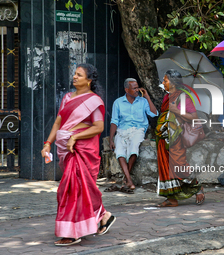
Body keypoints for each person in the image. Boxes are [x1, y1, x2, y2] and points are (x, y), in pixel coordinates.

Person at [41, 63, 116, 246]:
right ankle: (103, 215)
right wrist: (47, 144)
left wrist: (75, 137)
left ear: (89, 80)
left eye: (79, 75)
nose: (74, 77)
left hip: (82, 149)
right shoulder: (67, 98)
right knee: (78, 189)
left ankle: (73, 232)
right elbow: (58, 123)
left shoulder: (94, 101)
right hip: (67, 148)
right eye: (74, 74)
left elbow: (98, 127)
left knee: (70, 188)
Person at [156, 69, 205, 207]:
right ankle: (171, 199)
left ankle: (197, 187)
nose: (163, 82)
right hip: (164, 138)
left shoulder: (183, 97)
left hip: (176, 138)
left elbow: (194, 117)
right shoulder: (167, 97)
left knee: (179, 166)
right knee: (165, 168)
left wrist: (177, 111)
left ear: (173, 83)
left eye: (165, 80)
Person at [109, 78, 158, 191]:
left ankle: (127, 180)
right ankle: (128, 180)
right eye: (134, 88)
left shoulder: (143, 101)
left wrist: (147, 97)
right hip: (122, 130)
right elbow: (114, 121)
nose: (137, 90)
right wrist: (111, 139)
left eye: (137, 87)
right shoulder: (118, 102)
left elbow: (154, 113)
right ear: (127, 89)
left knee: (134, 148)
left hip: (138, 130)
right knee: (119, 151)